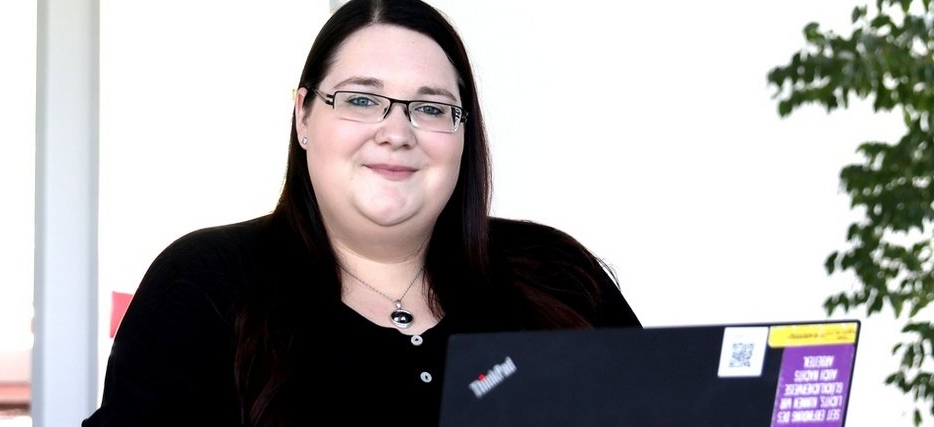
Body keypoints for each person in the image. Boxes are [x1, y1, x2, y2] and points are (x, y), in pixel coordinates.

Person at [82, 0, 640, 425]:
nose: (396, 133)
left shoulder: (559, 278)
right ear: (304, 117)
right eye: (360, 99)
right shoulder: (203, 284)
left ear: (464, 133)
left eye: (430, 107)